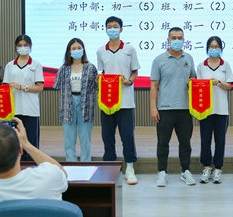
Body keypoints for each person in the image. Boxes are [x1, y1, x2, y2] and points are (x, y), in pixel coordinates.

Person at [150, 27, 197, 187]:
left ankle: (186, 171)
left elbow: (193, 79)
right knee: (163, 143)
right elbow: (154, 85)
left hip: (185, 109)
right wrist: (153, 108)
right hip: (165, 109)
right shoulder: (158, 60)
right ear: (168, 40)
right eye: (174, 37)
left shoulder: (188, 58)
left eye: (180, 37)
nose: (177, 40)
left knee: (185, 143)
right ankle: (162, 172)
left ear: (184, 40)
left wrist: (192, 82)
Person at [96, 16, 140, 184]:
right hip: (107, 100)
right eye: (109, 26)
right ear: (106, 29)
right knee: (107, 136)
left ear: (121, 29)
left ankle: (130, 167)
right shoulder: (101, 50)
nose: (112, 29)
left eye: (115, 26)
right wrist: (99, 80)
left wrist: (130, 81)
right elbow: (102, 72)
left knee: (127, 135)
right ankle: (109, 166)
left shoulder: (129, 49)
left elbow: (134, 71)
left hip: (125, 100)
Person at [196, 36, 233, 184]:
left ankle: (218, 168)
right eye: (211, 47)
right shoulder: (201, 66)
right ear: (207, 48)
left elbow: (229, 86)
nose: (214, 49)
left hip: (221, 109)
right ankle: (206, 167)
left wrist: (218, 82)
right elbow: (197, 85)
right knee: (205, 140)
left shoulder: (226, 65)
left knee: (220, 141)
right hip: (205, 109)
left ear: (221, 48)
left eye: (216, 46)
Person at [53, 38, 98, 162]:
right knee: (69, 139)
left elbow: (97, 86)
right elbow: (56, 85)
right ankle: (71, 163)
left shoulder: (91, 68)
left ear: (83, 50)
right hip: (68, 104)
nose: (77, 50)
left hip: (86, 104)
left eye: (79, 48)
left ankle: (86, 164)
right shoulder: (63, 68)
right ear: (69, 51)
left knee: (85, 138)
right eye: (74, 48)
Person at [3, 34, 44, 161]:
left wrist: (22, 87)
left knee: (31, 142)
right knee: (15, 142)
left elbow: (39, 87)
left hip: (31, 109)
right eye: (20, 45)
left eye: (25, 45)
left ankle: (32, 166)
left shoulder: (36, 65)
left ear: (30, 46)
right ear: (16, 47)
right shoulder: (10, 65)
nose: (23, 48)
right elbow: (5, 87)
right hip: (14, 109)